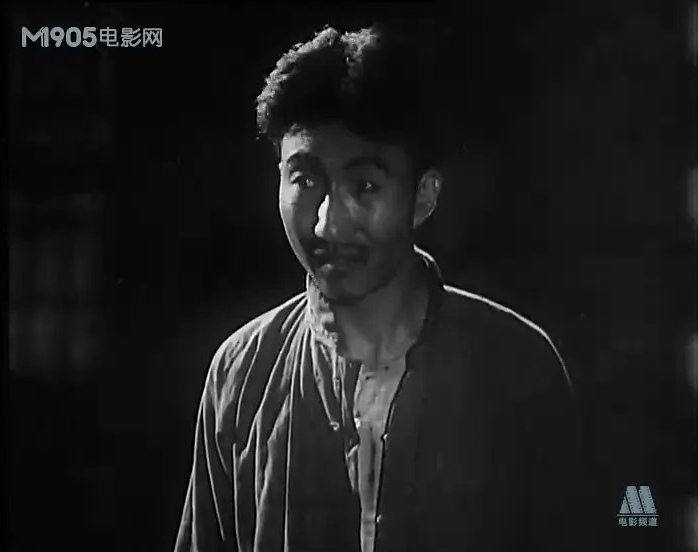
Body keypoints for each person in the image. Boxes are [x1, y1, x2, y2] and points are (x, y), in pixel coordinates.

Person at [175, 23, 587, 552]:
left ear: (424, 196)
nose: (327, 223)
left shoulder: (517, 368)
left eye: (365, 186)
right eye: (305, 180)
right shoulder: (241, 374)